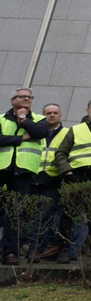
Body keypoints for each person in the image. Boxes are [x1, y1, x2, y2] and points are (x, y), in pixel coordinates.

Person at [52, 98, 91, 262]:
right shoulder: (75, 129)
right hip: (75, 176)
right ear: (88, 110)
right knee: (68, 214)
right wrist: (67, 172)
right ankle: (64, 250)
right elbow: (60, 153)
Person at [0, 88, 50, 265]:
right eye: (22, 96)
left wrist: (23, 119)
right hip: (2, 168)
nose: (27, 99)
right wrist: (21, 139)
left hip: (23, 172)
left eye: (29, 97)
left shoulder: (38, 119)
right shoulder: (1, 118)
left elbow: (39, 133)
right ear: (12, 100)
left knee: (15, 213)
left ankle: (10, 253)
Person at [32, 103, 67, 262]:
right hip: (34, 177)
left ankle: (41, 249)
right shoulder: (37, 132)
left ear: (60, 115)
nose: (51, 115)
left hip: (53, 179)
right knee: (32, 216)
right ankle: (32, 249)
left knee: (48, 215)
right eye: (48, 113)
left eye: (55, 113)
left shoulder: (67, 133)